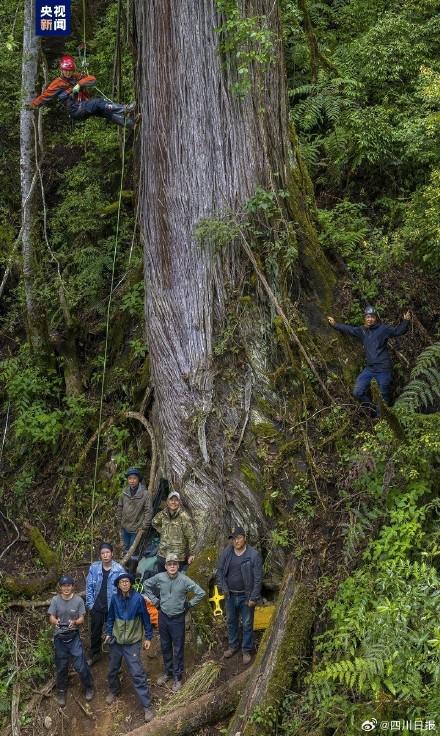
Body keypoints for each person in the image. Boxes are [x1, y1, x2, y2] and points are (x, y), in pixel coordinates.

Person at [328, 306, 411, 412]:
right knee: (357, 392)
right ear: (365, 318)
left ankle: (386, 418)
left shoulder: (383, 329)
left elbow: (398, 331)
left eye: (372, 317)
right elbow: (349, 329)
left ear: (376, 318)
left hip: (383, 369)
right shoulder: (362, 331)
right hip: (370, 369)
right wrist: (335, 324)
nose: (370, 319)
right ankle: (374, 410)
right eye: (368, 317)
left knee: (384, 396)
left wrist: (406, 321)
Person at [144, 552, 206, 691]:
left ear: (178, 566)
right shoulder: (160, 577)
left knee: (178, 649)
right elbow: (146, 585)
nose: (172, 566)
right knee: (165, 646)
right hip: (163, 617)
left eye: (174, 564)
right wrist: (155, 601)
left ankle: (178, 678)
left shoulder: (184, 580)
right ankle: (168, 672)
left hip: (178, 618)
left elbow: (201, 592)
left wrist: (189, 604)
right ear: (165, 566)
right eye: (169, 564)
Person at [30, 54, 135, 128]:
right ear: (61, 70)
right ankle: (125, 109)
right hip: (76, 109)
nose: (68, 73)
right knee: (97, 102)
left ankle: (132, 124)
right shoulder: (57, 83)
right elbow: (45, 96)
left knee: (105, 111)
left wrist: (79, 84)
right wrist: (33, 105)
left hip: (83, 106)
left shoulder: (76, 77)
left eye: (70, 71)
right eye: (66, 71)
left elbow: (93, 80)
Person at [105, 572, 154, 723]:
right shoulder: (114, 598)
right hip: (117, 641)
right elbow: (111, 617)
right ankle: (114, 690)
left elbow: (146, 618)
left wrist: (148, 637)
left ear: (130, 584)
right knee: (112, 669)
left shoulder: (138, 598)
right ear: (118, 585)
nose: (125, 584)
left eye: (127, 581)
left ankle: (147, 706)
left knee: (137, 673)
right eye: (122, 582)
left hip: (132, 642)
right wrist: (108, 632)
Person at [216, 527, 262, 665]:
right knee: (231, 621)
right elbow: (220, 571)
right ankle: (233, 646)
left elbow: (258, 578)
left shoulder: (253, 555)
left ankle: (246, 650)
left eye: (239, 538)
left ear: (245, 538)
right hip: (230, 594)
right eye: (234, 539)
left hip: (246, 596)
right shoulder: (227, 552)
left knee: (247, 623)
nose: (236, 541)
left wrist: (253, 597)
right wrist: (223, 587)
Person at [48, 575, 94, 706]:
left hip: (73, 637)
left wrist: (74, 622)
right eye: (64, 585)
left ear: (73, 586)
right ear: (60, 587)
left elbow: (82, 619)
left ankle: (89, 687)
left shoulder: (78, 600)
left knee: (80, 665)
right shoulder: (55, 600)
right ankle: (61, 691)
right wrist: (55, 621)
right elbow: (51, 616)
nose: (66, 588)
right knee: (61, 666)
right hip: (59, 638)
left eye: (69, 585)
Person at [85, 542, 125, 665]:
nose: (105, 555)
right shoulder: (94, 568)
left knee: (112, 630)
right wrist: (90, 604)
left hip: (111, 606)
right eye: (103, 553)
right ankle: (95, 653)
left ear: (112, 554)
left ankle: (113, 656)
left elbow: (124, 587)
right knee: (95, 630)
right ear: (100, 555)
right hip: (97, 605)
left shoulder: (118, 569)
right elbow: (89, 586)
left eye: (107, 552)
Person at [152, 491, 196, 572]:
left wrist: (192, 554)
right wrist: (162, 531)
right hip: (163, 554)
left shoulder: (184, 517)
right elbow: (154, 522)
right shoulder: (162, 514)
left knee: (175, 582)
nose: (173, 502)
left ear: (179, 502)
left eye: (176, 500)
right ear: (167, 502)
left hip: (177, 557)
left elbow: (191, 536)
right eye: (171, 500)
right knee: (162, 581)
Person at [118, 467, 153, 552]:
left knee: (133, 550)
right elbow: (120, 507)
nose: (132, 481)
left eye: (134, 478)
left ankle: (131, 564)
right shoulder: (124, 492)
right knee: (125, 547)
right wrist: (119, 520)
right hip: (125, 526)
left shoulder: (145, 494)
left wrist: (143, 527)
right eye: (130, 478)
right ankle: (124, 563)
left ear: (138, 479)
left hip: (136, 529)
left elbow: (149, 511)